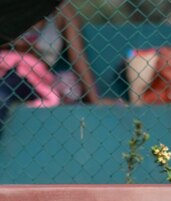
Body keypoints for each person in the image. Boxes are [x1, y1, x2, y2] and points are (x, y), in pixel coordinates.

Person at [0, 1, 105, 134]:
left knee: (2, 96)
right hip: (4, 64)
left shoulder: (63, 10)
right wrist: (12, 44)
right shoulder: (10, 6)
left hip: (31, 75)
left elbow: (78, 57)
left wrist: (94, 98)